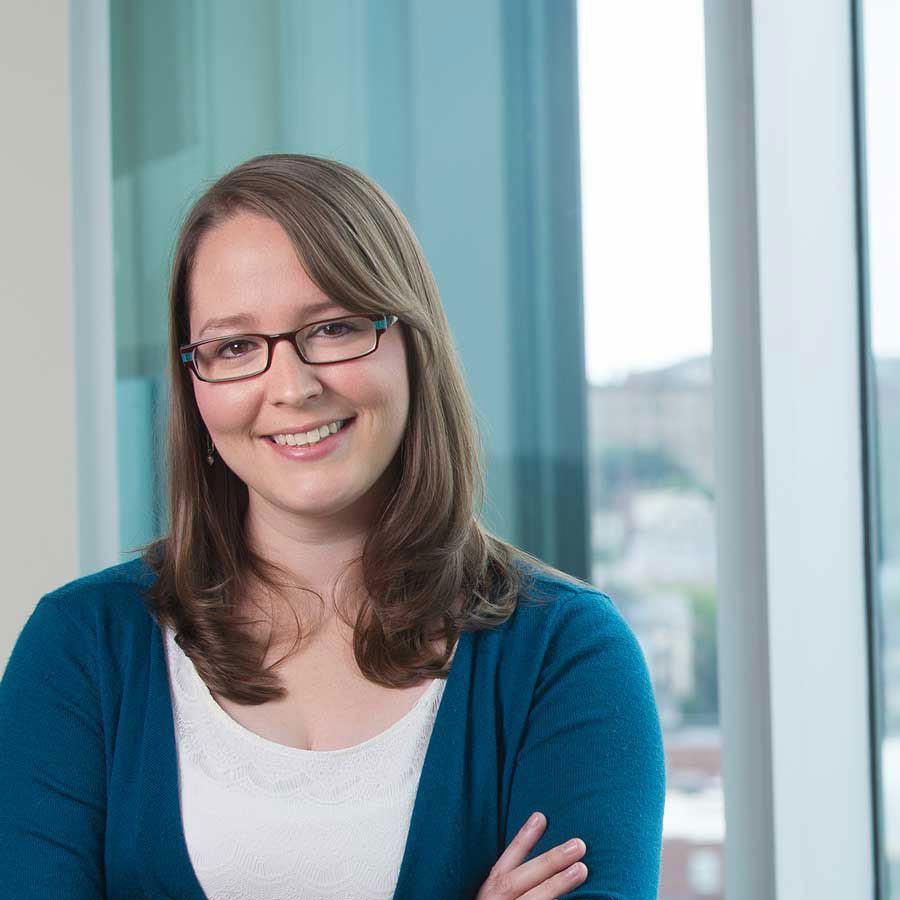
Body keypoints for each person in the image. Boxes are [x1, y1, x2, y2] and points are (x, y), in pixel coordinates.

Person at [0, 154, 665, 899]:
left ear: (412, 343)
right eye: (234, 347)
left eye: (335, 327)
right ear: (193, 384)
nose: (292, 386)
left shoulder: (566, 656)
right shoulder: (79, 651)